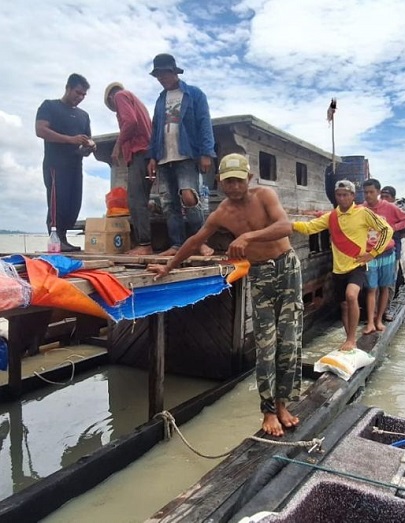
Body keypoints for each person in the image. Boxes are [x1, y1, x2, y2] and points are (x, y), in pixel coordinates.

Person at [147, 153, 302, 437]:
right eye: (227, 181)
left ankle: (283, 405)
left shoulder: (265, 195)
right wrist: (169, 266)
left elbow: (285, 226)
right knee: (266, 344)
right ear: (219, 182)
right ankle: (268, 410)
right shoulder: (222, 213)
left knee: (289, 341)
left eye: (237, 180)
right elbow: (196, 241)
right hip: (260, 274)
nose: (232, 186)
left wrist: (247, 237)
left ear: (249, 179)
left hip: (287, 266)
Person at [292, 180, 393, 351]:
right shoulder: (331, 216)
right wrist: (290, 225)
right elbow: (310, 228)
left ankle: (352, 339)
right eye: (339, 195)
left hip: (357, 266)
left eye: (345, 194)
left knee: (351, 296)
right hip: (338, 269)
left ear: (353, 196)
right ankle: (349, 338)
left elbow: (386, 230)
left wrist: (372, 253)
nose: (342, 198)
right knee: (344, 305)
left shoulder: (363, 213)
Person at [147, 53, 215, 257]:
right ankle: (177, 245)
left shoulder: (194, 94)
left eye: (164, 74)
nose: (161, 79)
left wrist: (206, 152)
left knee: (190, 197)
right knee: (168, 204)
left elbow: (204, 123)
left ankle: (199, 242)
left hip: (186, 154)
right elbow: (155, 127)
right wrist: (152, 156)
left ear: (173, 72)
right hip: (163, 157)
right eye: (158, 76)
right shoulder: (160, 99)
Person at [35, 73, 95, 252]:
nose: (80, 97)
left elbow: (85, 140)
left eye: (84, 95)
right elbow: (40, 130)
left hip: (75, 165)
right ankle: (56, 238)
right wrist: (70, 139)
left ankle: (63, 238)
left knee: (73, 203)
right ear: (68, 88)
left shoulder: (84, 115)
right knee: (57, 202)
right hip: (56, 164)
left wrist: (89, 148)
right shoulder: (50, 106)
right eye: (78, 92)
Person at [104, 82, 154, 255]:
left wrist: (118, 145)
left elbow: (130, 122)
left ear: (111, 98)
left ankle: (144, 244)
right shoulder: (138, 102)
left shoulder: (119, 96)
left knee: (135, 199)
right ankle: (144, 242)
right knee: (143, 199)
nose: (117, 111)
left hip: (139, 154)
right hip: (148, 156)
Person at [361, 179, 405, 333]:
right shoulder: (362, 208)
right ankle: (370, 321)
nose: (368, 195)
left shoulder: (389, 208)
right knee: (371, 288)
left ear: (377, 192)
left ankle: (379, 320)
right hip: (371, 254)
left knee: (385, 287)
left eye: (371, 192)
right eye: (365, 192)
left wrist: (393, 227)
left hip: (388, 253)